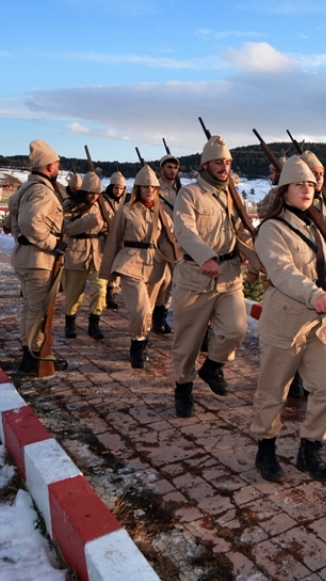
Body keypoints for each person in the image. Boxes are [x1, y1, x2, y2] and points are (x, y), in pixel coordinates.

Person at [250, 157, 326, 481]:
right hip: (286, 318)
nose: (306, 189)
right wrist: (314, 293)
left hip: (321, 321)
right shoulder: (271, 228)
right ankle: (266, 447)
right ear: (284, 191)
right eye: (298, 184)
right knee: (273, 390)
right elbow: (283, 271)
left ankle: (310, 447)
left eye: (309, 184)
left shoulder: (318, 227)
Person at [169, 136, 258, 418]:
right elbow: (183, 230)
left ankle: (213, 366)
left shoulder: (235, 195)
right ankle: (183, 386)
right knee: (188, 343)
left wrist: (255, 262)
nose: (225, 166)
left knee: (236, 330)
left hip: (230, 275)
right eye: (219, 161)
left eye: (228, 162)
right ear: (205, 164)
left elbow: (243, 232)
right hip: (195, 277)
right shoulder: (190, 194)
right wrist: (204, 255)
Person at [101, 165, 179, 368]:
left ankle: (142, 339)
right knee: (140, 309)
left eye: (153, 187)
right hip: (130, 263)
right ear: (137, 188)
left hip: (155, 265)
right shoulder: (126, 210)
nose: (149, 190)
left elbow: (172, 238)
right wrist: (107, 272)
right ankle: (137, 343)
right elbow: (113, 240)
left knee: (149, 309)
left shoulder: (161, 213)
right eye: (145, 187)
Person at [9, 140, 68, 373]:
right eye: (57, 165)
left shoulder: (24, 189)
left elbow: (11, 221)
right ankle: (36, 356)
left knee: (29, 308)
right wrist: (54, 244)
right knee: (38, 310)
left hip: (26, 257)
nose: (58, 169)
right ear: (50, 166)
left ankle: (29, 351)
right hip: (39, 260)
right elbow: (29, 222)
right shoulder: (43, 191)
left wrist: (21, 239)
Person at [61, 173, 110, 341]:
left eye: (97, 193)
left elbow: (106, 227)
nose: (94, 196)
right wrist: (89, 221)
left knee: (100, 289)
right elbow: (67, 229)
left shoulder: (103, 206)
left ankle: (94, 323)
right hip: (76, 252)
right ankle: (70, 322)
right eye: (91, 193)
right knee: (74, 293)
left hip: (97, 253)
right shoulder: (69, 205)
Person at [152, 155, 183, 333]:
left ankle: (160, 315)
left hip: (175, 239)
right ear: (162, 168)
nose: (172, 171)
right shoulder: (154, 188)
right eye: (169, 167)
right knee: (158, 279)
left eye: (175, 168)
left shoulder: (181, 190)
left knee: (173, 281)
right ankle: (152, 313)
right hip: (158, 237)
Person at [101, 171, 128, 309]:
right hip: (104, 238)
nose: (118, 191)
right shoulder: (102, 200)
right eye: (116, 187)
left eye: (121, 188)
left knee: (118, 267)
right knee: (106, 265)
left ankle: (114, 291)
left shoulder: (125, 203)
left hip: (119, 238)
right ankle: (104, 290)